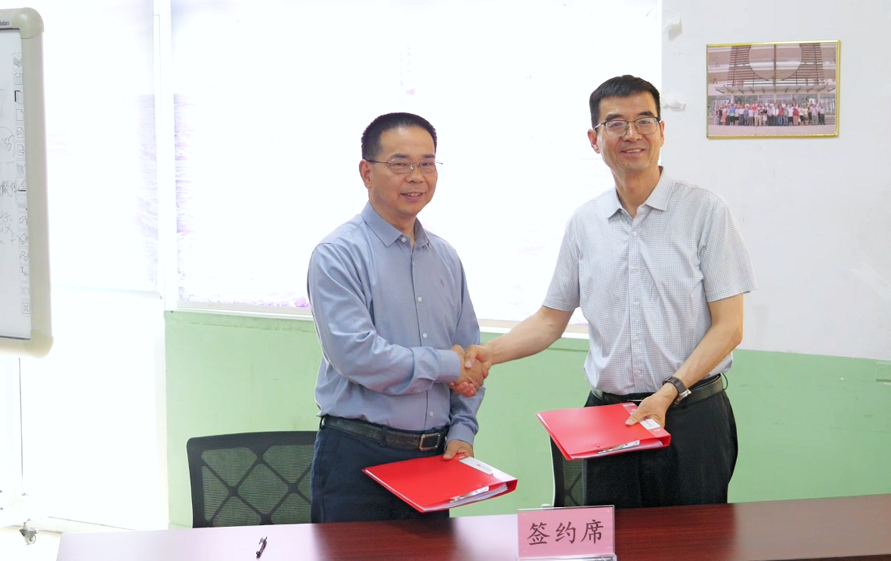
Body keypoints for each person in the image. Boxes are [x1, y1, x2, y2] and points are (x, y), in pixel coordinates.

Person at [466, 75, 756, 509]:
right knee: (606, 538)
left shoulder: (705, 212)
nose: (632, 134)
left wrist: (669, 390)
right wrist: (487, 355)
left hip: (689, 416)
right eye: (616, 124)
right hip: (606, 421)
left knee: (692, 541)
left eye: (644, 121)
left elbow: (729, 327)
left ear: (662, 131)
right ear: (594, 139)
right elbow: (549, 320)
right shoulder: (585, 223)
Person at [307, 112, 487, 523]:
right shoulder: (337, 255)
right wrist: (448, 364)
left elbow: (471, 356)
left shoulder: (446, 258)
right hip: (358, 458)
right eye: (400, 164)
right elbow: (358, 356)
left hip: (436, 457)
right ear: (366, 172)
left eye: (427, 164)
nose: (416, 177)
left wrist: (462, 431)